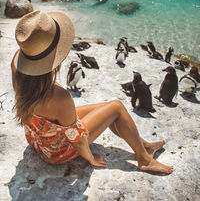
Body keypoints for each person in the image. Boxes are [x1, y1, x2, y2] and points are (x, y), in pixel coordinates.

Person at [11, 10, 173, 174]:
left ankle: (143, 145)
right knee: (116, 107)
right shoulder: (60, 98)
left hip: (37, 137)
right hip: (56, 152)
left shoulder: (17, 64)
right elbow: (78, 140)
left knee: (106, 108)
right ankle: (144, 159)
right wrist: (91, 158)